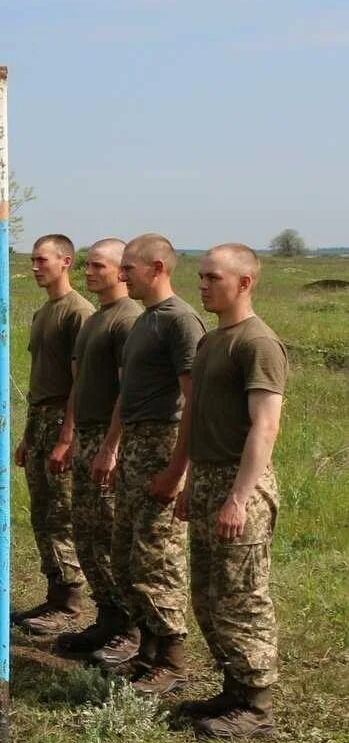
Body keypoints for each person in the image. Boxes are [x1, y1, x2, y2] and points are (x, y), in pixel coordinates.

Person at [176, 244, 287, 739]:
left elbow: (265, 428)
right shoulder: (211, 342)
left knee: (241, 596)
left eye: (213, 277)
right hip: (206, 477)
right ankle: (234, 688)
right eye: (200, 276)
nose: (202, 285)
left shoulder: (258, 343)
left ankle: (257, 707)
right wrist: (187, 482)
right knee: (207, 594)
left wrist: (239, 497)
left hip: (240, 482)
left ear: (245, 283)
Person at [108, 234, 206, 694]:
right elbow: (127, 395)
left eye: (129, 267)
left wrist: (177, 470)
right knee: (126, 555)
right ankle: (147, 652)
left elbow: (195, 402)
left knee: (156, 558)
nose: (121, 274)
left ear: (158, 267)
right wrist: (114, 445)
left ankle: (172, 660)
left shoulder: (180, 321)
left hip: (162, 446)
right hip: (135, 448)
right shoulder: (145, 320)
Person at [52, 238, 144, 663]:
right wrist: (69, 437)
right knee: (87, 535)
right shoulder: (94, 321)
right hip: (86, 437)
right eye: (87, 266)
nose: (89, 273)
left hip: (109, 442)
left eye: (98, 266)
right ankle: (107, 616)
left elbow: (128, 392)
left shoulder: (128, 320)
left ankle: (129, 627)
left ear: (122, 270)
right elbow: (77, 384)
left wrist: (113, 444)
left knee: (109, 536)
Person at [12, 234, 94, 634]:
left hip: (64, 420)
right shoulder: (44, 313)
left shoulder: (78, 313)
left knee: (62, 514)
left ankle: (71, 603)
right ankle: (54, 596)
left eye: (42, 260)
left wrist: (67, 437)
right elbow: (37, 380)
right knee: (42, 513)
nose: (34, 267)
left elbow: (82, 383)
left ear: (66, 262)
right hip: (41, 420)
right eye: (32, 260)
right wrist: (29, 436)